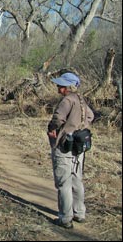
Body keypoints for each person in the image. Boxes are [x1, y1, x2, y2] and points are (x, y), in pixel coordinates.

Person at [47, 72, 94, 229]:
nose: (58, 87)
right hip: (79, 146)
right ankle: (79, 213)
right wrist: (80, 128)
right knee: (76, 179)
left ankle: (65, 218)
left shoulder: (67, 100)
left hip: (64, 145)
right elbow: (91, 116)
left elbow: (57, 119)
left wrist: (55, 130)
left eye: (60, 85)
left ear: (67, 87)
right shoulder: (81, 100)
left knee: (63, 182)